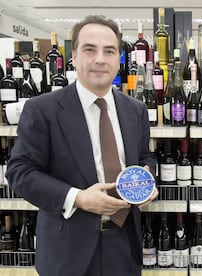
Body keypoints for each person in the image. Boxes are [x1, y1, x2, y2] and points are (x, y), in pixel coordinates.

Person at [6, 15, 158, 276]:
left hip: (124, 246)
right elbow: (20, 172)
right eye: (90, 49)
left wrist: (146, 180)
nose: (100, 58)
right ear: (74, 57)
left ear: (118, 59)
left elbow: (145, 156)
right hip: (67, 251)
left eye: (109, 51)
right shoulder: (43, 110)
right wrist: (78, 198)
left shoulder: (136, 110)